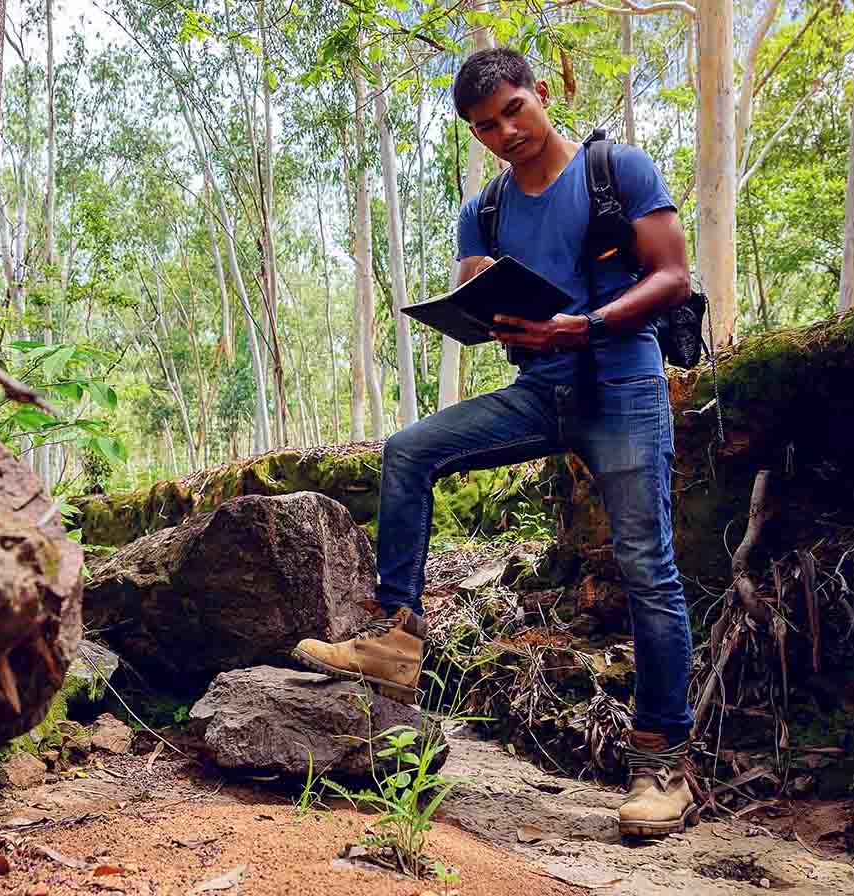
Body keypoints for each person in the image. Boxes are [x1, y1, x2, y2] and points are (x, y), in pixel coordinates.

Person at [293, 46, 697, 838]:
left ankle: (661, 764)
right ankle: (398, 637)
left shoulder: (617, 171)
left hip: (622, 385)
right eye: (485, 126)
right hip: (538, 392)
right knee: (410, 449)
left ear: (540, 94)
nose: (505, 132)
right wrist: (487, 314)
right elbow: (485, 303)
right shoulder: (482, 211)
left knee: (647, 569)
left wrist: (584, 322)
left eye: (514, 110)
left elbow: (674, 276)